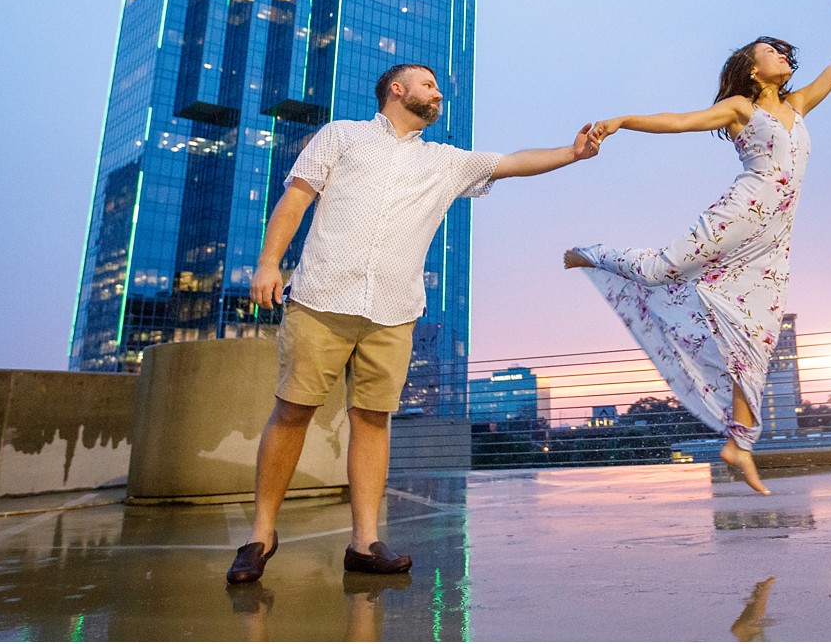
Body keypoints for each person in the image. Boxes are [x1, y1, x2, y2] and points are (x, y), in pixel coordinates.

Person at [226, 63, 599, 585]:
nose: (438, 92)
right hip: (321, 299)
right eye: (429, 84)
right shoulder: (341, 136)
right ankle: (261, 536)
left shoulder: (444, 163)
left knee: (373, 421)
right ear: (397, 90)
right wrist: (268, 263)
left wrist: (572, 153)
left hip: (394, 311)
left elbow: (512, 162)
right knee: (292, 412)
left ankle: (363, 542)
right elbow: (297, 198)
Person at [565, 0, 831, 494]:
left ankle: (738, 443)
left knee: (759, 332)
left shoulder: (798, 104)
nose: (784, 55)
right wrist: (621, 120)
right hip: (741, 214)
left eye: (785, 51)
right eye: (772, 50)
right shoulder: (739, 107)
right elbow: (678, 120)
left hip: (775, 238)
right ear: (752, 68)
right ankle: (591, 254)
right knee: (661, 269)